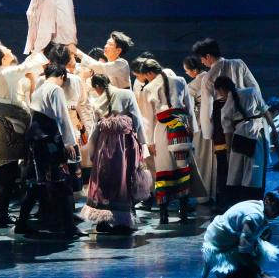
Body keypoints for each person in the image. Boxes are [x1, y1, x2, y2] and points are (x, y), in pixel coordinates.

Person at [17, 46, 83, 237]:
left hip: (37, 141)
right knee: (61, 183)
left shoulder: (39, 89)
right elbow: (62, 117)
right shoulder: (55, 89)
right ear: (62, 76)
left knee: (38, 184)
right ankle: (69, 227)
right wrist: (69, 143)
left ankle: (22, 222)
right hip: (49, 140)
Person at [193, 39, 261, 210]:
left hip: (222, 117)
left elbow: (207, 106)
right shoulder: (239, 63)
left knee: (224, 161)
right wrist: (257, 108)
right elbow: (254, 87)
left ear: (208, 56)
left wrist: (207, 132)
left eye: (202, 59)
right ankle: (245, 197)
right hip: (244, 113)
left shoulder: (209, 76)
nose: (202, 62)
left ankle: (225, 198)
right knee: (246, 158)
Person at [81, 74, 151, 234]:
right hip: (125, 145)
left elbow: (95, 129)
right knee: (123, 180)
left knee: (104, 181)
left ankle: (102, 221)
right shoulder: (127, 94)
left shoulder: (96, 101)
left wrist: (92, 151)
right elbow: (137, 121)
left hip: (104, 145)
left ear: (97, 87)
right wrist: (143, 144)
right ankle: (122, 222)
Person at [0, 40, 41, 227]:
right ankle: (1, 216)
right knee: (7, 175)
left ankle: (2, 214)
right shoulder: (5, 72)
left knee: (9, 175)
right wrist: (39, 49)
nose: (9, 49)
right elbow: (29, 65)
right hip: (6, 126)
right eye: (5, 49)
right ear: (2, 58)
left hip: (10, 124)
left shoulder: (3, 73)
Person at [141, 59, 196, 224]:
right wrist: (192, 129)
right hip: (181, 127)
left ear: (149, 73)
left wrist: (149, 142)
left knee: (163, 170)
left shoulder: (149, 88)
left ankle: (163, 214)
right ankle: (183, 211)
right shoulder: (180, 80)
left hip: (162, 130)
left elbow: (148, 119)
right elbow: (189, 107)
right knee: (182, 168)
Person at [201, 187, 279, 278]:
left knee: (266, 234)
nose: (276, 215)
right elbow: (243, 252)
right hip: (219, 246)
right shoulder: (255, 216)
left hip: (222, 237)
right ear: (267, 200)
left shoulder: (259, 206)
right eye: (274, 210)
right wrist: (261, 273)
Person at [215, 76, 274, 203]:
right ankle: (253, 200)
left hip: (239, 137)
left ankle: (236, 201)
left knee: (236, 171)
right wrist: (274, 129)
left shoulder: (226, 105)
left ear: (221, 89)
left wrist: (229, 150)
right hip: (256, 135)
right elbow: (265, 111)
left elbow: (228, 131)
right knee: (255, 170)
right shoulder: (251, 92)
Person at [183, 55, 215, 205]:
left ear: (194, 70)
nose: (186, 73)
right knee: (212, 158)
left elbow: (189, 108)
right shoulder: (211, 76)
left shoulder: (194, 84)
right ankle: (213, 192)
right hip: (214, 121)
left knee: (201, 158)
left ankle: (203, 195)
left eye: (187, 71)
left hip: (201, 123)